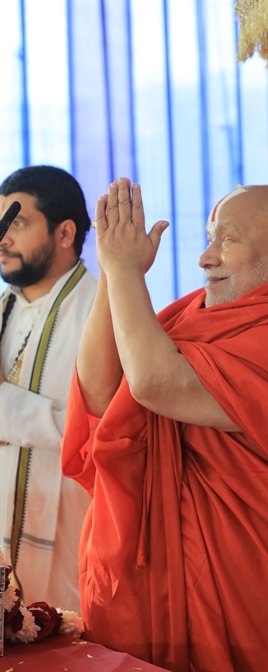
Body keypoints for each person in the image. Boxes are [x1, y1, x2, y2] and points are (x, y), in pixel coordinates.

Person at [62, 179, 268, 671]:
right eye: (209, 239)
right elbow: (101, 393)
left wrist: (125, 271)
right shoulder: (194, 318)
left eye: (227, 240)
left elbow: (156, 384)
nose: (205, 258)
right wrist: (113, 272)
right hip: (182, 593)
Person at [0, 165, 97, 612]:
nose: (3, 238)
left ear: (65, 233)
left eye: (17, 223)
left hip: (70, 544)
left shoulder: (105, 315)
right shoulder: (4, 308)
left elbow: (106, 435)